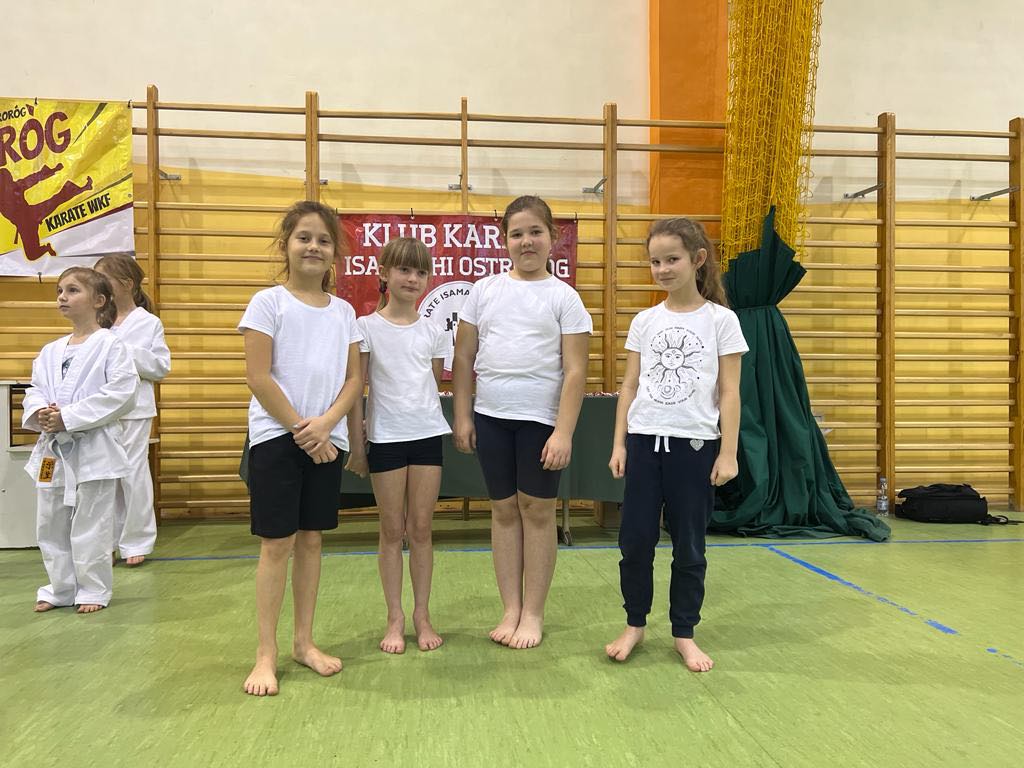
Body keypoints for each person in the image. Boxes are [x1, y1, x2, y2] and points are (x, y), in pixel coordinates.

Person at [605, 218, 747, 672]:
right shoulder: (645, 321)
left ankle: (684, 631)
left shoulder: (721, 321)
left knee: (689, 545)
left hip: (694, 448)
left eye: (672, 259)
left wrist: (728, 452)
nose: (663, 269)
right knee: (635, 541)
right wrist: (619, 444)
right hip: (644, 444)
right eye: (655, 261)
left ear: (697, 259)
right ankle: (634, 623)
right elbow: (629, 386)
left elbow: (729, 391)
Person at [452, 195, 591, 649]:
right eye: (517, 234)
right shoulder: (484, 291)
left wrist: (563, 431)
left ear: (553, 237)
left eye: (535, 232)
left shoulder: (564, 297)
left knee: (537, 510)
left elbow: (575, 371)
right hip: (492, 416)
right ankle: (510, 607)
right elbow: (464, 356)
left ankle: (533, 612)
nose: (526, 241)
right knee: (503, 510)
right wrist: (463, 415)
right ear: (504, 241)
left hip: (540, 420)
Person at [238, 200, 363, 696]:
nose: (314, 247)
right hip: (278, 438)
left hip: (326, 441)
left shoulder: (344, 312)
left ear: (335, 254)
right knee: (277, 544)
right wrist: (299, 429)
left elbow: (354, 380)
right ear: (286, 245)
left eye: (324, 240)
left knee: (312, 541)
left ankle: (304, 642)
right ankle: (265, 653)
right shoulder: (268, 303)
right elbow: (258, 376)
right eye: (304, 237)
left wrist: (326, 425)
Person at [347, 237, 450, 654]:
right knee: (392, 530)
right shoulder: (365, 327)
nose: (412, 278)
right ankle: (395, 617)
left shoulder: (433, 331)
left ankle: (422, 614)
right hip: (386, 438)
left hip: (426, 436)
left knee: (421, 529)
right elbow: (356, 389)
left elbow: (433, 383)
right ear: (384, 274)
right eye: (404, 270)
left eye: (420, 272)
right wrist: (358, 446)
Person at [23, 267, 138, 614]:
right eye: (60, 291)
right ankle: (60, 588)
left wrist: (69, 416)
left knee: (92, 522)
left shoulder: (111, 345)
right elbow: (35, 389)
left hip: (94, 447)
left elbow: (121, 393)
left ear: (99, 300)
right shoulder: (49, 351)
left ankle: (92, 589)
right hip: (53, 449)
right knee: (49, 522)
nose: (62, 297)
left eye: (73, 290)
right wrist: (41, 412)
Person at [94, 253, 171, 567]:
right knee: (104, 476)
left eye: (104, 279)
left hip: (135, 409)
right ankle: (106, 541)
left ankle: (136, 540)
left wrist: (122, 351)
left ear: (126, 283)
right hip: (100, 409)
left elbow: (160, 367)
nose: (98, 284)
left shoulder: (148, 323)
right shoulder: (99, 321)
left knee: (132, 474)